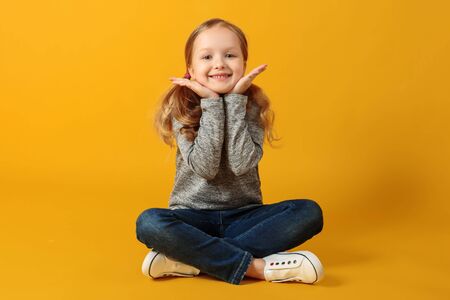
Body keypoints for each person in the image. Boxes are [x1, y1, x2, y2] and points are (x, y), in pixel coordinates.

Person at [135, 17, 324, 285]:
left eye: (230, 55)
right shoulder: (183, 109)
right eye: (207, 57)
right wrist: (212, 103)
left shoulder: (252, 106)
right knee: (149, 222)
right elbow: (206, 168)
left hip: (245, 216)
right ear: (190, 67)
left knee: (309, 212)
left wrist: (234, 103)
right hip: (192, 217)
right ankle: (258, 268)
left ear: (243, 63)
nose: (219, 63)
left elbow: (240, 163)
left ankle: (190, 257)